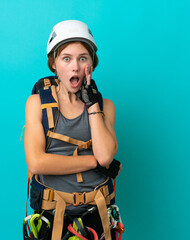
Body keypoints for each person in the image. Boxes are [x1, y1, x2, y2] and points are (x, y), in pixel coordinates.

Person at [24, 20, 121, 240]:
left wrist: (93, 105)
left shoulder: (106, 107)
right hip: (53, 213)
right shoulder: (36, 104)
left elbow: (105, 155)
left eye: (82, 58)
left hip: (97, 215)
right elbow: (37, 163)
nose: (75, 67)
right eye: (66, 58)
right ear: (54, 64)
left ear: (91, 65)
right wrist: (93, 162)